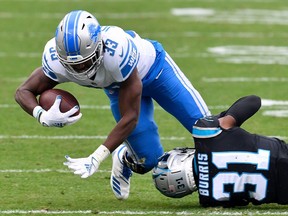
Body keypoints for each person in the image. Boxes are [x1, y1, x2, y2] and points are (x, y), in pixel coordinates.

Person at [14, 10, 211, 200]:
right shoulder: (55, 59)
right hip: (118, 88)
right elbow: (23, 91)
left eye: (84, 62)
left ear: (98, 47)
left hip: (156, 72)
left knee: (208, 129)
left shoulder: (117, 51)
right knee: (148, 160)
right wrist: (41, 114)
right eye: (72, 65)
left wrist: (97, 156)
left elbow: (131, 117)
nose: (79, 69)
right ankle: (125, 156)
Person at [153, 95, 288, 207]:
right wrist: (226, 117)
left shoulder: (210, 200)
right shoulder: (205, 133)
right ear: (180, 159)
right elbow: (253, 101)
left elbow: (241, 201)